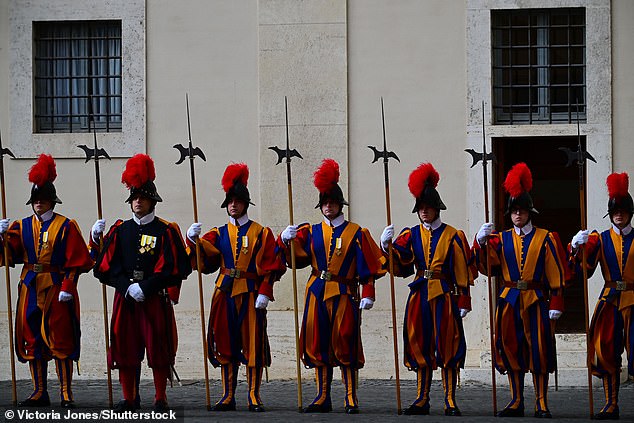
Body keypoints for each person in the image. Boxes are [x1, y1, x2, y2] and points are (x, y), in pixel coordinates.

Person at [279, 158, 386, 414]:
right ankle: (322, 395)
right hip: (316, 291)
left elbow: (368, 266)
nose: (329, 207)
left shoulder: (357, 233)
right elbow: (295, 259)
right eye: (325, 203)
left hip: (344, 292)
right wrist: (285, 240)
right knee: (318, 343)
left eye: (333, 203)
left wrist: (368, 293)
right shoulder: (310, 230)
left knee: (346, 342)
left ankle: (350, 396)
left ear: (340, 205)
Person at [91, 154, 191, 411]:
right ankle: (129, 397)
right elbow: (105, 269)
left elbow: (176, 269)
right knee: (125, 348)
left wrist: (145, 287)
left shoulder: (165, 231)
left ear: (152, 201)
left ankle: (160, 397)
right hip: (125, 300)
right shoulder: (119, 230)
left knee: (159, 348)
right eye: (134, 198)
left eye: (142, 198)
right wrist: (126, 287)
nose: (137, 201)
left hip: (155, 298)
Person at [186, 163, 285, 412]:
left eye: (238, 201)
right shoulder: (218, 233)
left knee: (252, 342)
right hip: (225, 291)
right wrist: (193, 240)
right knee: (226, 342)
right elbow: (204, 260)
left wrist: (265, 291)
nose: (233, 205)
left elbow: (272, 263)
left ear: (245, 204)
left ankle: (253, 394)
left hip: (251, 292)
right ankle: (228, 394)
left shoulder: (261, 233)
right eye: (230, 201)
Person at [379, 163, 473, 416]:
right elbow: (400, 264)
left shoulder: (453, 235)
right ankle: (422, 398)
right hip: (419, 295)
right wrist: (385, 245)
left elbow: (462, 270)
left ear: (436, 209)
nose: (423, 212)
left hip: (444, 294)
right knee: (419, 343)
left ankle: (450, 399)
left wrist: (464, 300)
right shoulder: (410, 234)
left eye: (427, 208)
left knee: (448, 345)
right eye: (420, 209)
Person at [474, 162, 566, 418]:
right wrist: (480, 243)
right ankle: (516, 399)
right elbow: (487, 267)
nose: (518, 216)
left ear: (529, 213)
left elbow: (555, 270)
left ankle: (541, 401)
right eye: (514, 211)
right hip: (509, 300)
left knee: (539, 350)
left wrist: (556, 300)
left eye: (522, 211)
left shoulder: (546, 238)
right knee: (512, 349)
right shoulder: (499, 239)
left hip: (536, 299)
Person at [0, 154, 93, 408]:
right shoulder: (21, 225)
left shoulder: (66, 226)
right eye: (35, 200)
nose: (38, 204)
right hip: (30, 285)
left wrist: (68, 287)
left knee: (60, 338)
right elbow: (10, 255)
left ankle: (65, 391)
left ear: (51, 200)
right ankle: (39, 390)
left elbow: (78, 261)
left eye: (42, 200)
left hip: (55, 285)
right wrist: (2, 237)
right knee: (32, 337)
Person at [569, 172, 634, 420]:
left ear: (629, 213)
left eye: (623, 211)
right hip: (609, 301)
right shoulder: (601, 239)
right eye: (615, 211)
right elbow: (584, 272)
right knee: (606, 351)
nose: (619, 215)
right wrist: (578, 248)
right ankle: (611, 403)